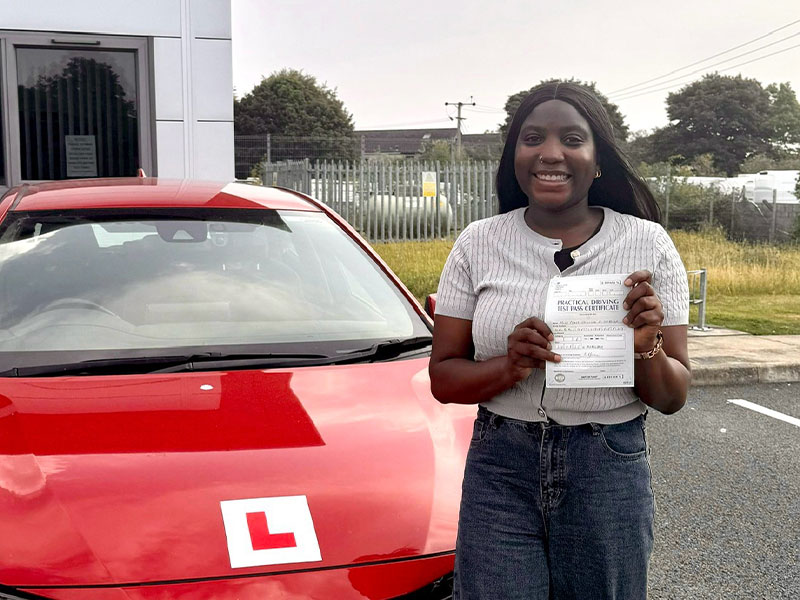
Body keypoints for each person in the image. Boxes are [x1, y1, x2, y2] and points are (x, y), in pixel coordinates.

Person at [429, 81, 691, 600]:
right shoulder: (477, 243)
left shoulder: (648, 244)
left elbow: (672, 397)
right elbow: (443, 378)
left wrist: (646, 346)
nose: (550, 153)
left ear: (598, 160)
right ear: (515, 157)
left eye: (572, 139)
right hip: (501, 465)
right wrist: (508, 366)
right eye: (532, 139)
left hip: (607, 467)